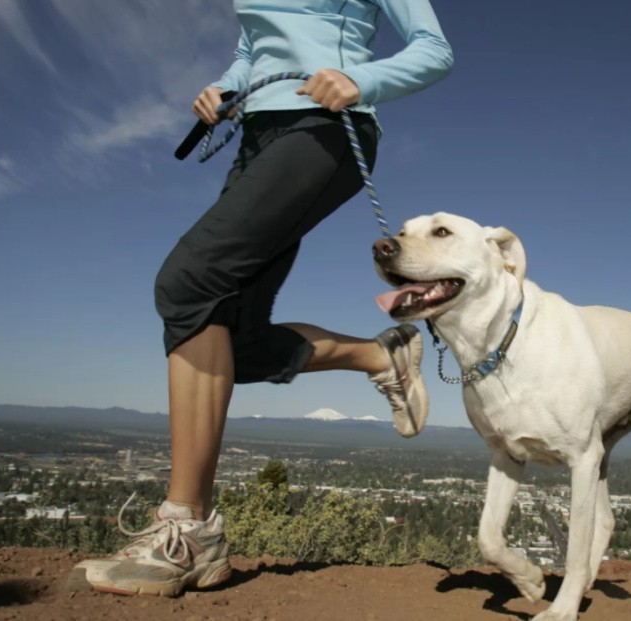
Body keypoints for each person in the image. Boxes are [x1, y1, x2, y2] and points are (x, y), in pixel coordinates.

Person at [67, 0, 453, 597]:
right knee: (233, 344)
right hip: (257, 135)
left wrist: (361, 80)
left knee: (189, 283)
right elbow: (255, 45)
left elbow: (434, 48)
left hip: (326, 129)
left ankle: (187, 527)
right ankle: (381, 356)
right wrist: (228, 85)